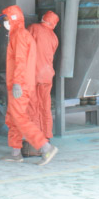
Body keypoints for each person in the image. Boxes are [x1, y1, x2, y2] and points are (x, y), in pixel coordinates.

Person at [0, 5, 58, 166]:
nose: (5, 23)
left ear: (13, 19)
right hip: (36, 79)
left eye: (6, 19)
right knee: (14, 118)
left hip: (21, 84)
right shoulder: (48, 36)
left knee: (20, 118)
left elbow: (20, 61)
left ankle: (46, 148)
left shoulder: (21, 35)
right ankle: (15, 153)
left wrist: (17, 83)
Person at [27, 11, 59, 144]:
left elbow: (24, 46)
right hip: (47, 75)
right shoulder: (54, 37)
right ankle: (47, 136)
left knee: (33, 106)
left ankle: (36, 138)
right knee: (45, 106)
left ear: (43, 18)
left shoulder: (33, 28)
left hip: (33, 75)